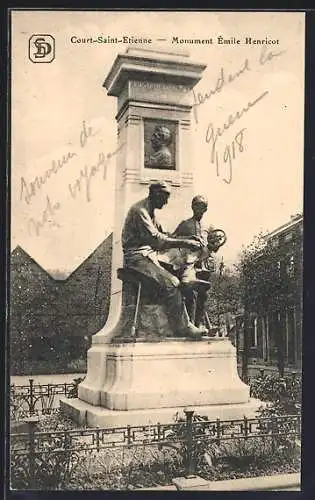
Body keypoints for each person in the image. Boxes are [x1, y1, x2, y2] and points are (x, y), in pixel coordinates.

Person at [122, 182, 207, 339]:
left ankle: (190, 321)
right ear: (156, 195)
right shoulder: (140, 211)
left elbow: (166, 234)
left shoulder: (150, 211)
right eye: (165, 198)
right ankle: (183, 327)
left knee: (180, 273)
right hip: (136, 258)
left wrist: (187, 238)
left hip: (148, 256)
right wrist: (186, 243)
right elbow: (157, 240)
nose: (166, 202)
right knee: (172, 283)